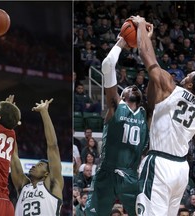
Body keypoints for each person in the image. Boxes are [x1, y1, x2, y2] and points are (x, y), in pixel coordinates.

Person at [130, 15, 195, 216]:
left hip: (160, 163)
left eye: (191, 74)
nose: (188, 73)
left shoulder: (171, 88)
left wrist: (141, 27)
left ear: (190, 84)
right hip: (181, 169)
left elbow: (146, 56)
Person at [84, 34, 149, 216]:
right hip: (108, 172)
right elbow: (107, 65)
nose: (133, 87)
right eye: (127, 87)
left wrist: (145, 41)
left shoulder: (146, 115)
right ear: (121, 96)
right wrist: (121, 41)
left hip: (131, 175)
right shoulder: (115, 107)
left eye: (135, 87)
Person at [11, 99, 64, 216]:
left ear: (46, 174)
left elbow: (53, 146)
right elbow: (13, 156)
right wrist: (9, 121)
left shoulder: (52, 183)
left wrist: (44, 112)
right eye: (35, 164)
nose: (34, 166)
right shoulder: (23, 186)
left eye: (40, 165)